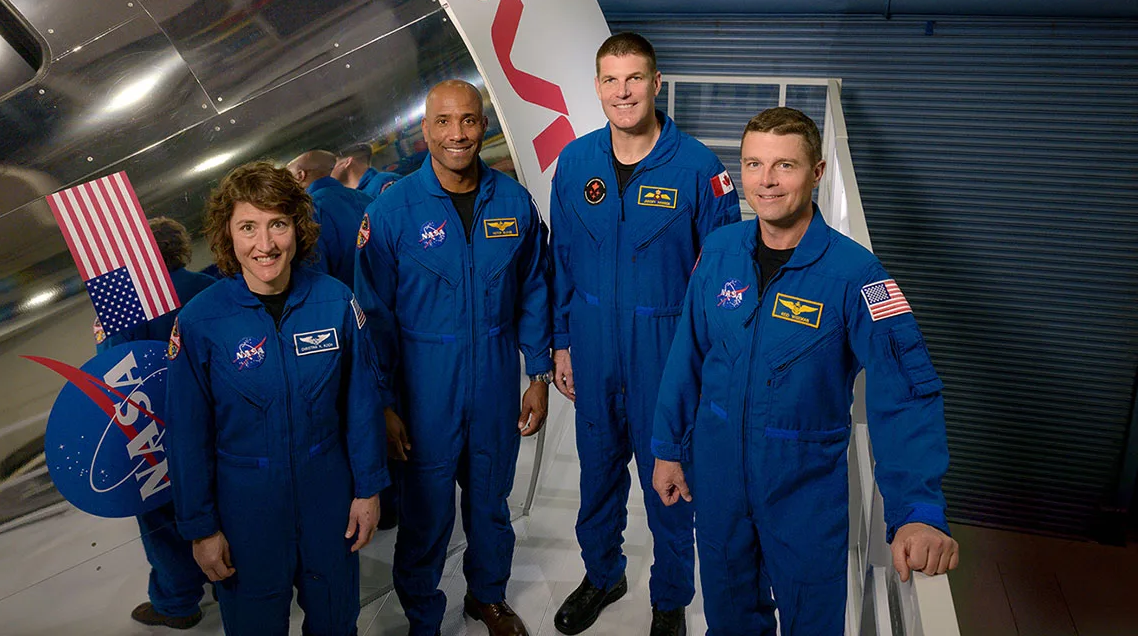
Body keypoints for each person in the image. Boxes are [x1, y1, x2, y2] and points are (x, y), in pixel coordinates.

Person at [651, 107, 959, 635]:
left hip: (803, 489)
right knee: (727, 614)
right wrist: (668, 448)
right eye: (753, 164)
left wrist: (917, 510)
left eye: (784, 166)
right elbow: (689, 354)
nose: (765, 182)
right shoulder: (720, 252)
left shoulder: (857, 275)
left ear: (816, 172)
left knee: (811, 622)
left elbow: (905, 390)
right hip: (720, 475)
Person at [549, 32, 741, 636]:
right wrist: (561, 341)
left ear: (656, 84)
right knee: (597, 474)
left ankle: (669, 599)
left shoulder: (699, 169)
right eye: (611, 80)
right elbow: (561, 261)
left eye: (635, 79)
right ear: (598, 88)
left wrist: (709, 365)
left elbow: (722, 281)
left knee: (671, 485)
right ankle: (603, 575)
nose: (623, 92)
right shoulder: (575, 163)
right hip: (594, 347)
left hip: (666, 356)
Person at [355, 79, 552, 636]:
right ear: (425, 130)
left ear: (483, 123)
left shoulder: (513, 201)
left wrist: (536, 373)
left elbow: (535, 287)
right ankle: (423, 613)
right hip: (423, 390)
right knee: (424, 512)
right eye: (444, 122)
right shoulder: (392, 211)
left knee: (491, 501)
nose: (458, 134)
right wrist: (386, 403)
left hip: (493, 379)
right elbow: (371, 315)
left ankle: (486, 597)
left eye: (468, 120)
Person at [165, 161, 388, 636]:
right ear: (228, 234)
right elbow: (186, 436)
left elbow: (362, 405)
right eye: (248, 227)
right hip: (245, 504)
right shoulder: (200, 321)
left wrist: (368, 490)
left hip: (326, 491)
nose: (264, 245)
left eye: (277, 225)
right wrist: (201, 528)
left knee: (335, 620)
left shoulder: (335, 301)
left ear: (297, 226)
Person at [94, 217, 214, 630]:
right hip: (216, 423)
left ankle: (177, 602)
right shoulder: (209, 287)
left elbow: (109, 370)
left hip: (155, 430)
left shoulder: (122, 303)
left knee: (160, 517)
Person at [287, 149, 373, 287]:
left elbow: (313, 278)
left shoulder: (309, 211)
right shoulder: (366, 198)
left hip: (347, 302)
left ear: (300, 176)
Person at [331, 142, 402, 198]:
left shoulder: (383, 182)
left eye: (332, 164)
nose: (327, 170)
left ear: (347, 162)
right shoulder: (353, 197)